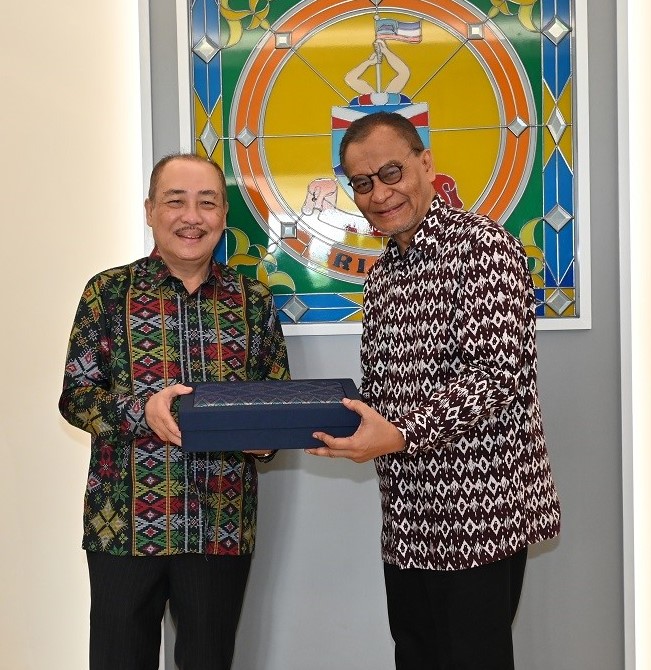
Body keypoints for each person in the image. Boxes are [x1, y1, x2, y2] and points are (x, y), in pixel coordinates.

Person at [306, 112, 561, 670]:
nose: (379, 194)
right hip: (409, 519)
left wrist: (398, 433)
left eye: (391, 172)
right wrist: (332, 422)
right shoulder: (384, 273)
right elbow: (385, 390)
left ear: (426, 163)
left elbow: (496, 377)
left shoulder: (482, 248)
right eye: (363, 183)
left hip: (480, 515)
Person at [59, 153, 290, 670]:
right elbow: (75, 397)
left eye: (207, 203)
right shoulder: (107, 292)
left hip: (220, 526)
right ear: (150, 211)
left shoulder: (253, 300)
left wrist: (267, 438)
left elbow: (276, 400)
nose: (192, 217)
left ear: (224, 214)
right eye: (175, 201)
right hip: (123, 527)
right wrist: (142, 410)